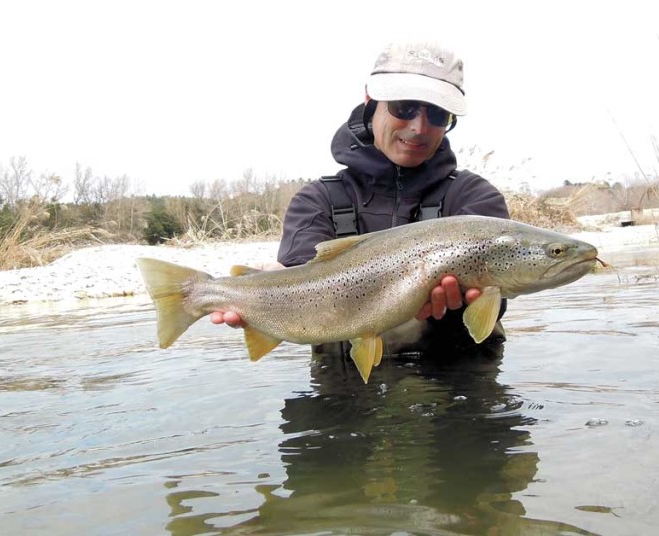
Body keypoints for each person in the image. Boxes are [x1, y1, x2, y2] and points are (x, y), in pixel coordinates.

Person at [211, 41, 510, 354]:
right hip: (342, 380)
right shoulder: (317, 200)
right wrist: (271, 289)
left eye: (437, 113)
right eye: (404, 107)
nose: (419, 127)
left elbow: (500, 294)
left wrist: (473, 299)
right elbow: (300, 278)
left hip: (459, 377)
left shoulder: (474, 197)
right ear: (371, 100)